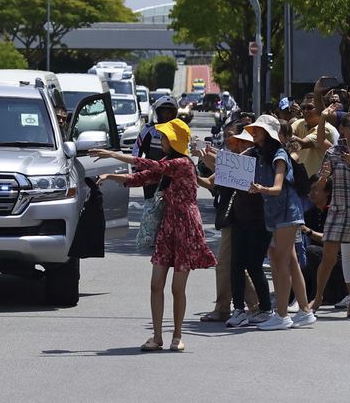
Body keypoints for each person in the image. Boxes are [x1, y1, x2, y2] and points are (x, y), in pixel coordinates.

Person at [92, 118, 217, 352]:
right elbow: (140, 177)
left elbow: (144, 163)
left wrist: (114, 155)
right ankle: (157, 337)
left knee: (177, 288)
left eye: (164, 137)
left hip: (186, 226)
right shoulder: (168, 162)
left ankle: (177, 336)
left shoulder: (182, 163)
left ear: (173, 141)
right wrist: (110, 176)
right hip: (168, 224)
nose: (160, 140)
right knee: (155, 284)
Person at [245, 115, 316, 329]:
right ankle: (304, 311)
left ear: (269, 133)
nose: (254, 131)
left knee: (280, 261)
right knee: (289, 261)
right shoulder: (258, 153)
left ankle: (282, 315)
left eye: (259, 128)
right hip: (277, 213)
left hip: (287, 212)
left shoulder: (279, 154)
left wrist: (261, 189)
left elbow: (276, 188)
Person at [195, 122, 261, 324]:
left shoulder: (253, 160)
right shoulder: (234, 160)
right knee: (235, 265)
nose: (235, 144)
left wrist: (210, 160)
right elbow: (211, 182)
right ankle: (256, 305)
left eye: (240, 140)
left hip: (244, 218)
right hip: (232, 218)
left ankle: (226, 307)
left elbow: (236, 174)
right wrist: (194, 169)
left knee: (226, 265)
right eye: (232, 140)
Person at [309, 114, 350, 312]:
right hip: (338, 209)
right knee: (328, 257)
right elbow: (319, 185)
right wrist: (324, 177)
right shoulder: (333, 152)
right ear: (343, 129)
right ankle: (318, 298)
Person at [300, 176, 348, 307]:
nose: (311, 194)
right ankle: (295, 298)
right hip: (318, 258)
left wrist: (309, 232)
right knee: (301, 263)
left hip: (337, 257)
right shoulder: (309, 214)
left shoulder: (336, 212)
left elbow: (333, 239)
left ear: (327, 192)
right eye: (310, 190)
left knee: (314, 253)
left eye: (315, 190)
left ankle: (323, 296)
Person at [291, 96, 335, 177]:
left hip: (320, 182)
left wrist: (286, 136)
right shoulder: (299, 123)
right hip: (304, 181)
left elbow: (302, 144)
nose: (305, 111)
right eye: (303, 107)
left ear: (320, 110)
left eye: (309, 107)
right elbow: (288, 132)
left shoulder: (326, 128)